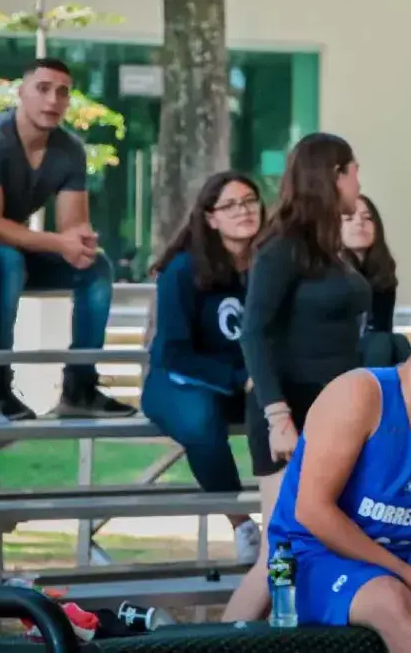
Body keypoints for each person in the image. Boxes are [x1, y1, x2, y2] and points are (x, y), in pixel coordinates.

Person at [0, 57, 132, 423]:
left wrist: (80, 243)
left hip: (7, 245)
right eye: (43, 89)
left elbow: (72, 227)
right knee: (5, 258)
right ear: (21, 92)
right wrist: (60, 243)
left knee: (96, 267)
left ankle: (80, 387)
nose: (53, 100)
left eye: (62, 92)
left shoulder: (70, 149)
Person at [223, 132, 371, 621]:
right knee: (278, 549)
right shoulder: (282, 246)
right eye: (353, 170)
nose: (359, 181)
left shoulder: (328, 247)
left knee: (319, 544)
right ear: (334, 175)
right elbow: (253, 332)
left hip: (333, 412)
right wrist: (277, 415)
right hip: (289, 411)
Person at [265, 311, 411, 651]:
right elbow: (312, 511)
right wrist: (406, 574)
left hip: (409, 555)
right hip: (315, 555)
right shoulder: (360, 393)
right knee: (391, 598)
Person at [139, 172, 265, 565]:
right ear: (211, 218)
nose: (243, 210)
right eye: (230, 205)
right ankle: (242, 525)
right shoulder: (183, 270)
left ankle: (292, 522)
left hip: (241, 382)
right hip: (177, 380)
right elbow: (174, 353)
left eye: (250, 201)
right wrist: (240, 378)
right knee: (200, 419)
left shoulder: (269, 264)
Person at [343, 194, 399, 334]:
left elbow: (384, 328)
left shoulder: (384, 273)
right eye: (349, 218)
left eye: (367, 218)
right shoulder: (328, 272)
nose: (359, 223)